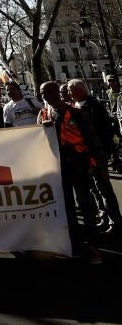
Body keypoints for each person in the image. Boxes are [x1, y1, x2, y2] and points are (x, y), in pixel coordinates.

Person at [39, 81, 105, 263]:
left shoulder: (76, 113)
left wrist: (99, 166)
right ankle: (75, 245)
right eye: (42, 94)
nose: (45, 97)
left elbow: (92, 139)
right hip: (59, 169)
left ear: (56, 92)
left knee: (86, 205)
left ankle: (93, 247)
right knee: (67, 208)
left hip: (79, 166)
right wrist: (43, 130)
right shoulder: (43, 114)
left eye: (48, 92)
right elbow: (38, 142)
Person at [67, 78, 122, 231]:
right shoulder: (73, 107)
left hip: (97, 155)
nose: (68, 93)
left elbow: (106, 131)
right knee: (94, 189)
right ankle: (104, 217)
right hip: (83, 156)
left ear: (80, 90)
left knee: (104, 189)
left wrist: (108, 153)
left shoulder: (95, 107)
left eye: (70, 89)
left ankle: (115, 221)